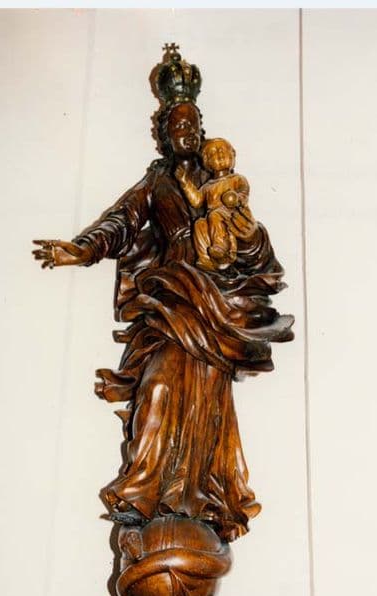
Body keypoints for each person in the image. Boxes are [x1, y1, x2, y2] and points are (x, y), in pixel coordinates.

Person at [32, 50, 294, 543]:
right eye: (177, 126)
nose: (186, 132)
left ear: (201, 129)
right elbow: (120, 222)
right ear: (163, 135)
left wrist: (246, 234)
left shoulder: (223, 183)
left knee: (207, 407)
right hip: (172, 299)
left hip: (215, 307)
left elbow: (257, 250)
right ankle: (143, 496)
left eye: (192, 124)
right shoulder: (157, 183)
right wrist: (81, 249)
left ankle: (201, 502)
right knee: (156, 388)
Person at [175, 137, 253, 271]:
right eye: (214, 153)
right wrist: (184, 182)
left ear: (232, 155)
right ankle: (205, 259)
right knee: (199, 224)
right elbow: (196, 201)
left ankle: (222, 248)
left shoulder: (237, 179)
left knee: (214, 215)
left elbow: (244, 192)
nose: (220, 154)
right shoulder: (208, 186)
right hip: (214, 218)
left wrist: (237, 198)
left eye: (223, 150)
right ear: (207, 162)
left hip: (232, 214)